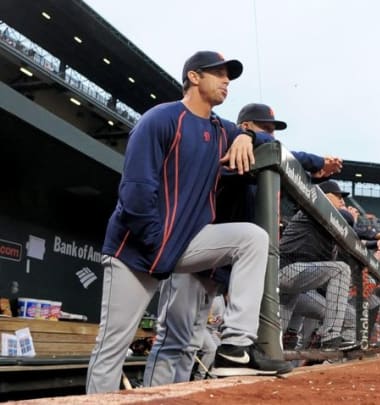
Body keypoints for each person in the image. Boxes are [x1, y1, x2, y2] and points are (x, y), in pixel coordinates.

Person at [86, 51, 292, 394]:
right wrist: (158, 246)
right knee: (112, 350)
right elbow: (136, 194)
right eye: (219, 74)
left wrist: (249, 137)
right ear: (194, 77)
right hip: (134, 251)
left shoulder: (221, 129)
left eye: (229, 76)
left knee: (253, 238)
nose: (226, 81)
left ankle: (235, 347)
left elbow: (278, 146)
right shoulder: (161, 119)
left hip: (182, 245)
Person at [143, 102, 340, 387]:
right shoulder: (229, 148)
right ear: (246, 127)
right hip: (191, 249)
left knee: (189, 345)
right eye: (266, 128)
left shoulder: (252, 160)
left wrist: (313, 174)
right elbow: (281, 154)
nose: (272, 135)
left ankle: (172, 394)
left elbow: (281, 161)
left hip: (213, 262)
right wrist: (315, 161)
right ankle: (151, 395)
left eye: (274, 130)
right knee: (173, 341)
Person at [279, 181, 359, 351]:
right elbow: (347, 219)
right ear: (325, 195)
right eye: (338, 196)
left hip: (297, 286)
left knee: (277, 337)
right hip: (284, 272)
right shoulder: (312, 208)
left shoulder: (326, 219)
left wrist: (378, 237)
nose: (343, 201)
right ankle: (330, 336)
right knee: (340, 269)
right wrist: (349, 216)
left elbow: (353, 237)